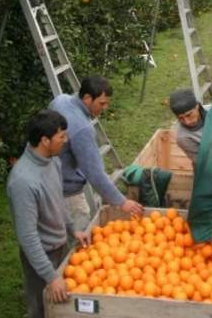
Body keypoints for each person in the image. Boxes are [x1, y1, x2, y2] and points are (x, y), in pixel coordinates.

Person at [7, 109, 90, 318]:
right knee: (41, 309)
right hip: (40, 256)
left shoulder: (53, 160)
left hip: (60, 246)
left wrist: (72, 229)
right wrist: (50, 276)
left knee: (62, 307)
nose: (66, 140)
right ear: (45, 140)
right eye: (61, 136)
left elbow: (57, 199)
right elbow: (27, 236)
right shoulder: (23, 182)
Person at [49, 76, 143, 230]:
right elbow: (95, 173)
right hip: (67, 193)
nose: (105, 108)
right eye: (101, 103)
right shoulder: (82, 129)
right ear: (87, 98)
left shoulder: (60, 100)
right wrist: (122, 202)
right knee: (79, 241)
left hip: (48, 183)